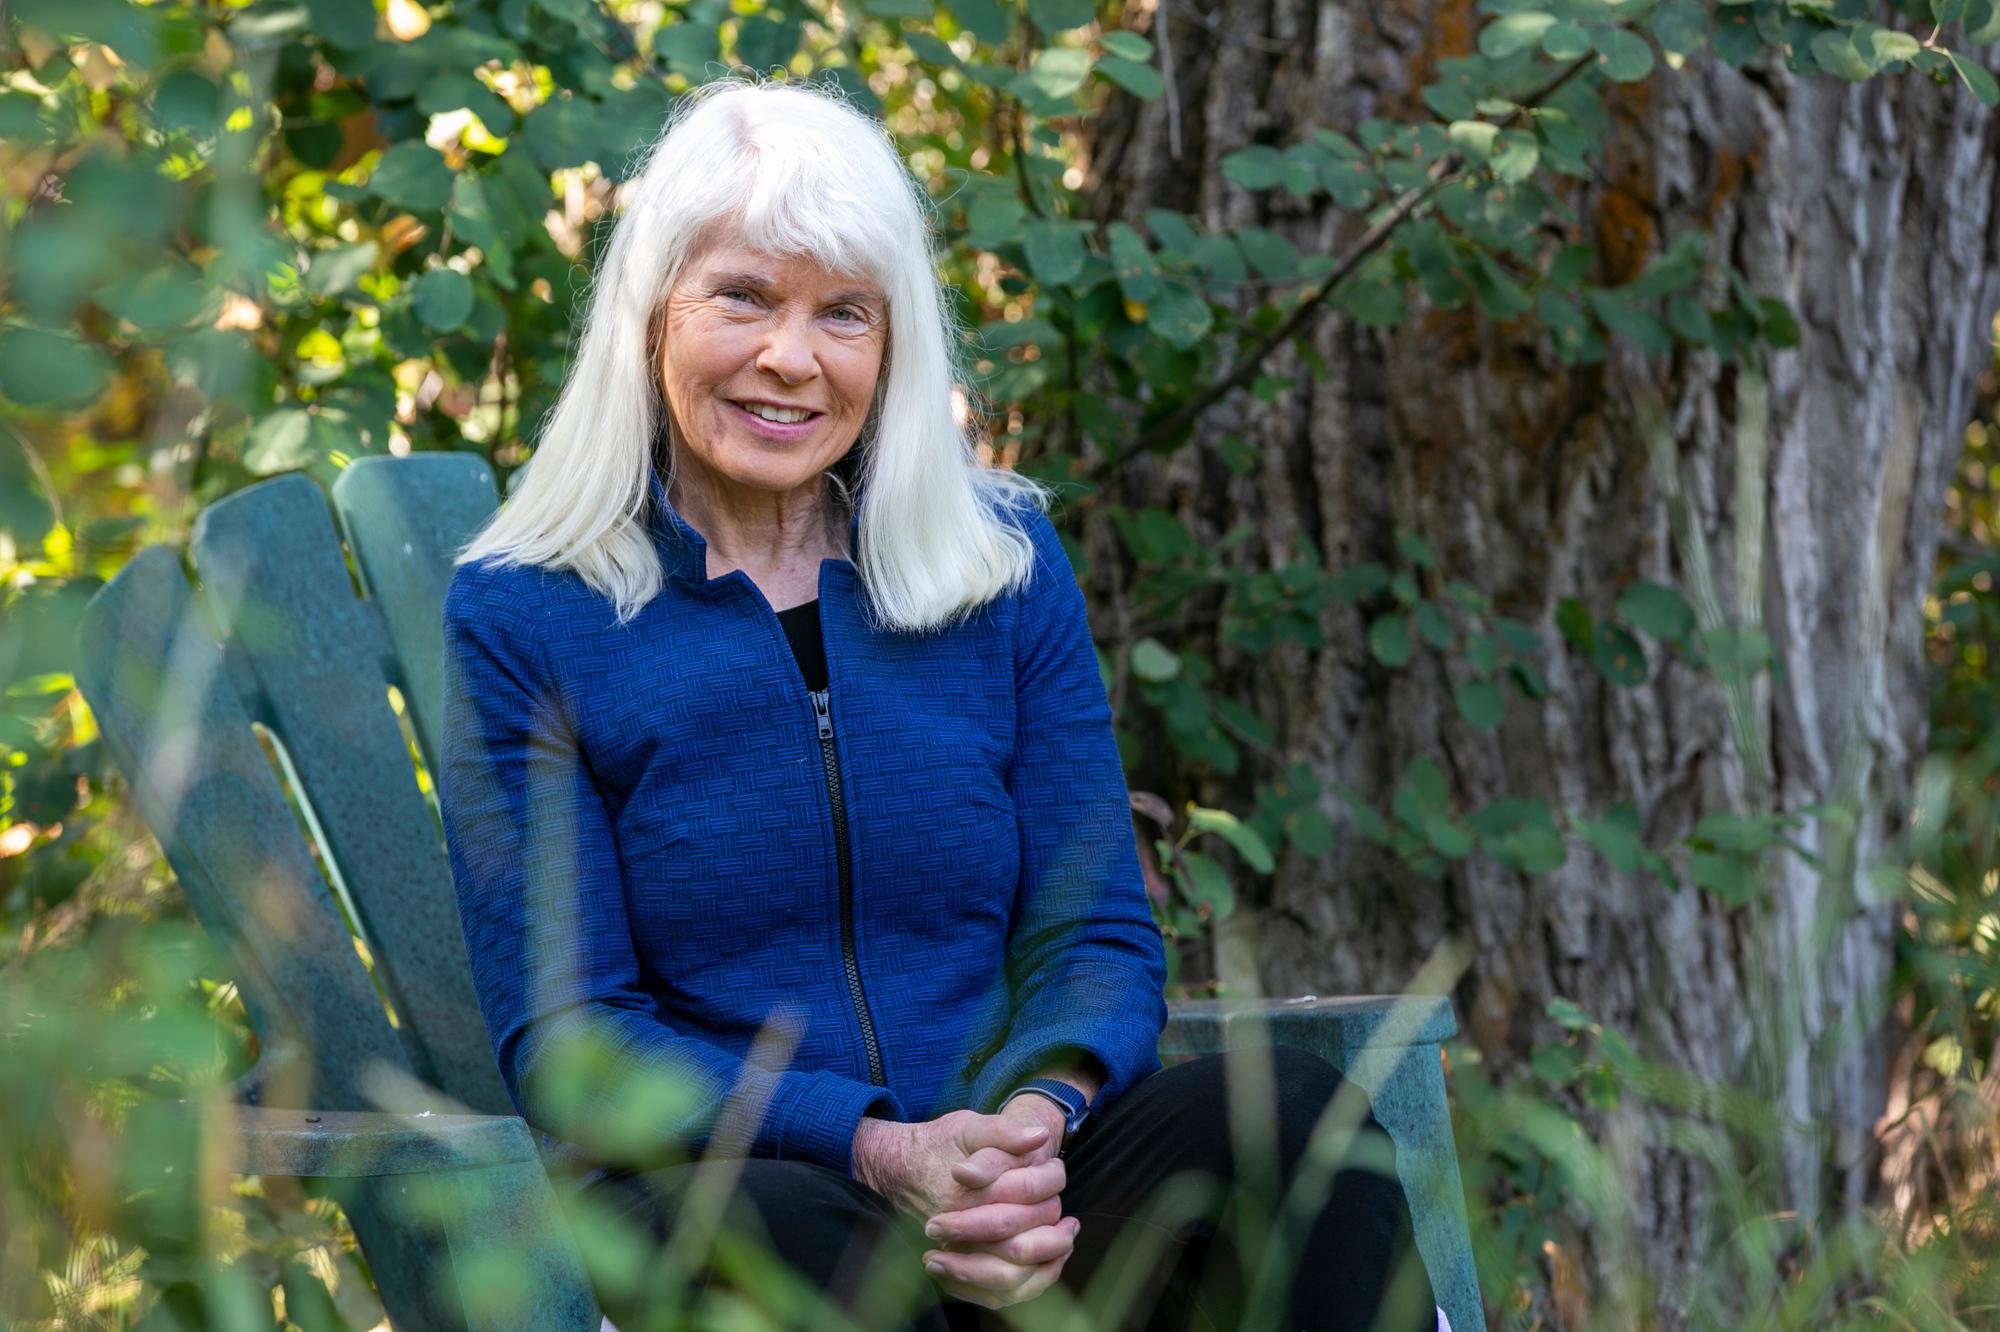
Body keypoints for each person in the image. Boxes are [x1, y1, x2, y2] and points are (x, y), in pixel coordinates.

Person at [435, 74, 1443, 1332]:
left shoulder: (997, 567)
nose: (789, 359)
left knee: (1287, 1120)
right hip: (744, 1194)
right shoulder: (531, 614)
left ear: (890, 346)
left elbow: (1094, 937)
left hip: (1012, 1176)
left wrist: (1027, 1133)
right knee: (793, 1238)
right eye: (742, 296)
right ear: (650, 318)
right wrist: (873, 1147)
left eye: (842, 315)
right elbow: (575, 1040)